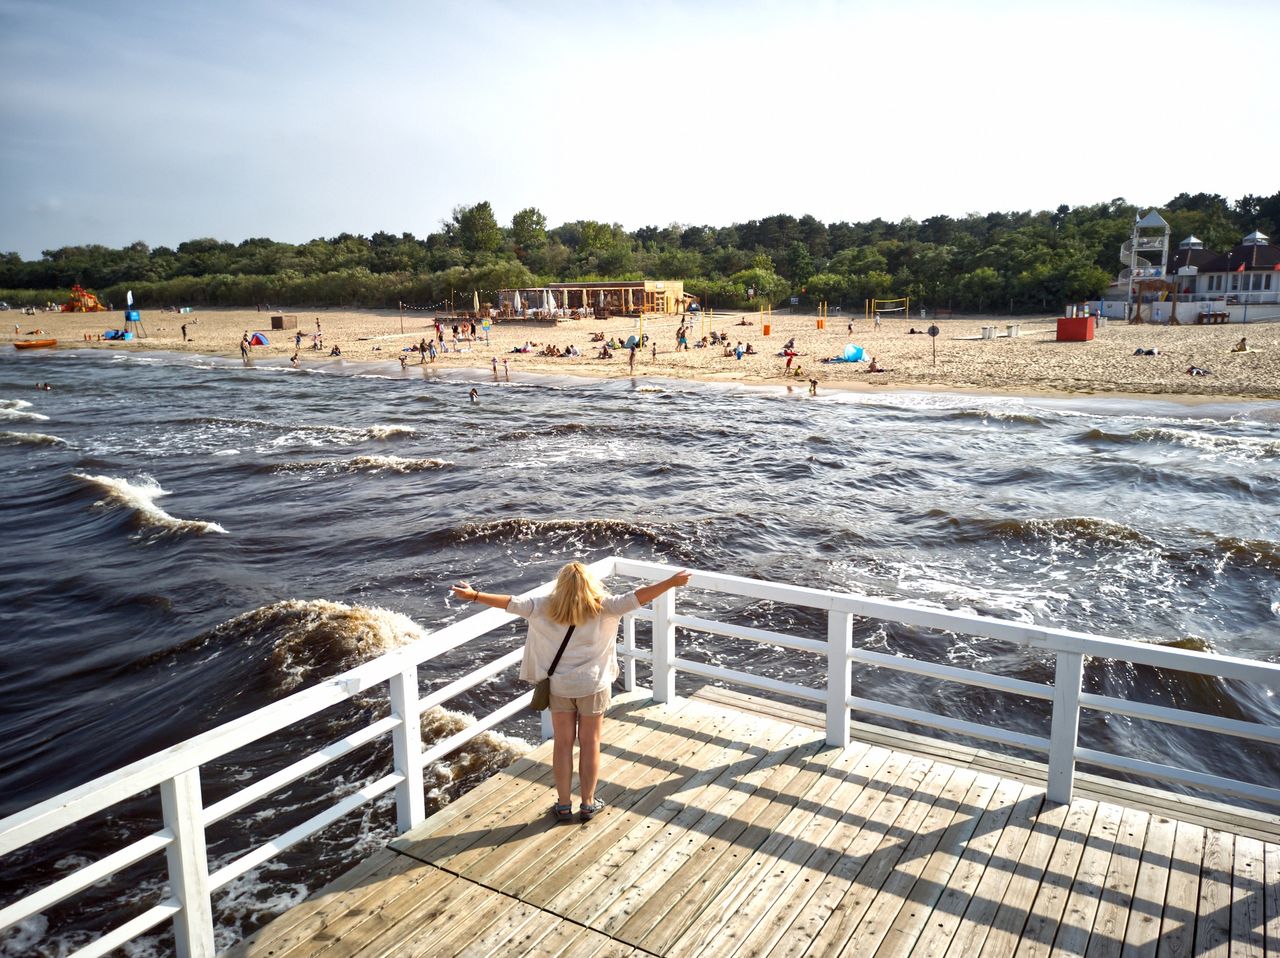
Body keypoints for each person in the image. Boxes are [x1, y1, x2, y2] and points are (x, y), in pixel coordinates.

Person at [451, 563, 690, 822]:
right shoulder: (605, 607)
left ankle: (563, 805)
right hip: (593, 687)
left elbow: (510, 602)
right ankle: (588, 803)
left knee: (563, 745)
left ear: (560, 585)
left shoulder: (543, 606)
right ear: (589, 584)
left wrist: (473, 595)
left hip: (559, 687)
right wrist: (671, 582)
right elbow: (639, 596)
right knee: (591, 744)